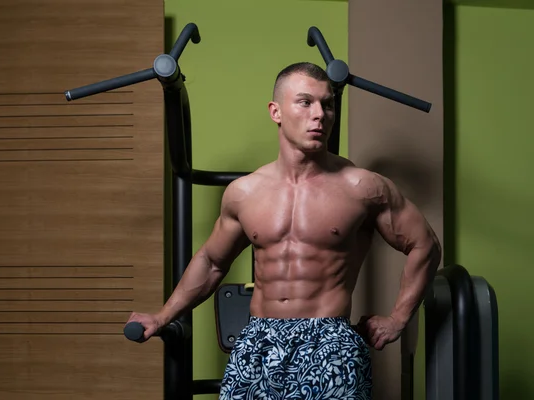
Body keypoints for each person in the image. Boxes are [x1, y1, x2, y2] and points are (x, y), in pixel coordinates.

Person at [126, 62, 442, 399]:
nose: (320, 114)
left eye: (327, 104)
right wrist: (162, 316)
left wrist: (397, 318)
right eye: (305, 102)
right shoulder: (245, 192)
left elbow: (425, 245)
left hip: (330, 343)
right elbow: (212, 262)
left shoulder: (362, 186)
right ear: (276, 112)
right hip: (259, 341)